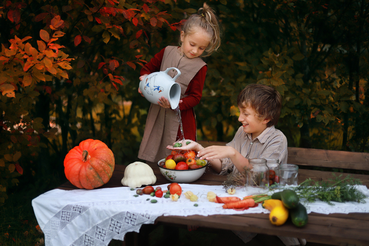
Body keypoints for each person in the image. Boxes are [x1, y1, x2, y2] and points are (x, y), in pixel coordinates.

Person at [167, 84, 306, 246]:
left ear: (266, 118)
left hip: (262, 211)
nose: (240, 118)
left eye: (246, 114)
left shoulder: (277, 140)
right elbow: (223, 166)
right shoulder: (242, 132)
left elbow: (261, 176)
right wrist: (199, 149)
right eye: (241, 112)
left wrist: (233, 153)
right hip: (237, 205)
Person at [138, 2, 221, 164]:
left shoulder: (200, 67)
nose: (195, 51)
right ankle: (155, 171)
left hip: (181, 117)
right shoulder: (167, 51)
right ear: (183, 36)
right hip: (158, 110)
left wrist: (176, 104)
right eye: (192, 44)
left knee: (179, 156)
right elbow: (147, 69)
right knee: (155, 143)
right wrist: (144, 82)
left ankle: (180, 176)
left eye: (201, 48)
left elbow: (195, 97)